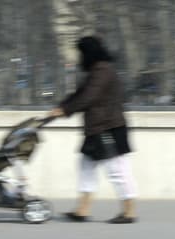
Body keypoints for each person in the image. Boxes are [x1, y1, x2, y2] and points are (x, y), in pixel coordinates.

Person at [49, 36, 138, 224]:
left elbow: (89, 97)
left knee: (118, 170)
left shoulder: (103, 71)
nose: (79, 57)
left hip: (109, 128)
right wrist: (62, 106)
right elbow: (79, 94)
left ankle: (129, 211)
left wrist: (65, 110)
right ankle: (82, 209)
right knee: (86, 166)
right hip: (97, 128)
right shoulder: (96, 71)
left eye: (81, 53)